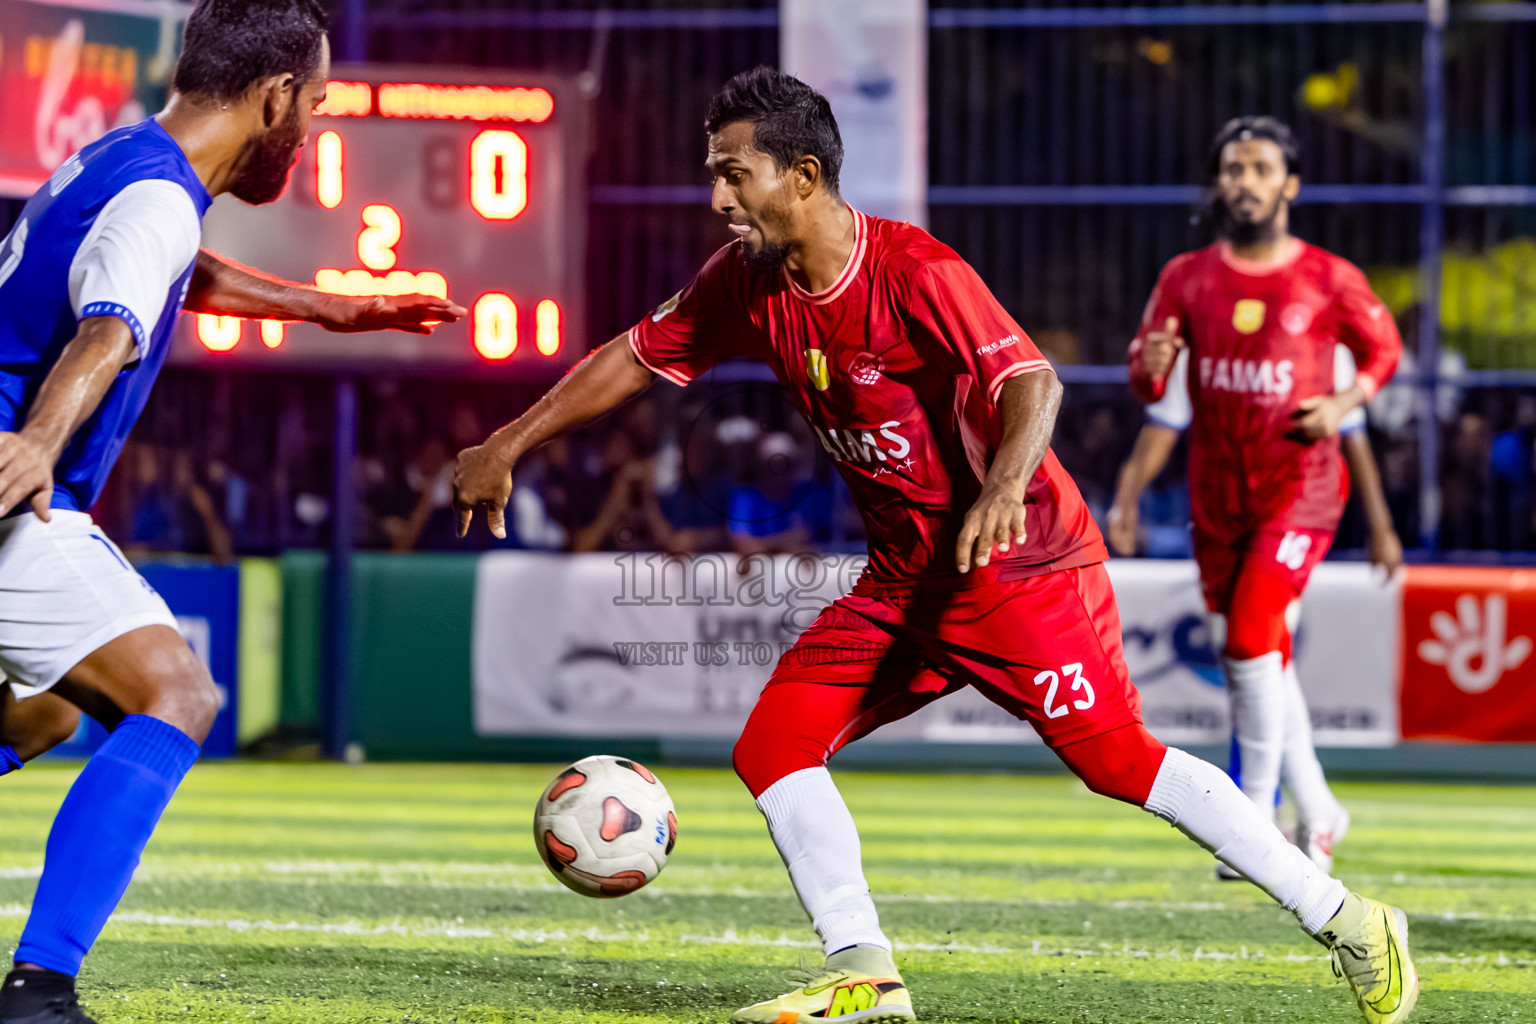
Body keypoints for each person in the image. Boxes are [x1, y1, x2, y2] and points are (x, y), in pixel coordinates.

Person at [453, 70, 1417, 1024]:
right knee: (774, 746)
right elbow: (633, 355)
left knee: (1120, 763)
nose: (718, 200)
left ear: (802, 175)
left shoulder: (915, 272)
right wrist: (507, 444)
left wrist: (1001, 489)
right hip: (904, 580)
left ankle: (1350, 920)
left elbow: (1032, 382)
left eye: (733, 175)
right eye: (714, 175)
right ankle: (864, 974)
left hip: (1017, 569)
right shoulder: (746, 282)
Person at [0, 1, 464, 1020]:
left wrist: (324, 305)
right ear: (276, 96)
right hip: (15, 485)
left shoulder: (126, 159)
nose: (314, 128)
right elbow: (109, 330)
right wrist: (36, 443)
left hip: (20, 475)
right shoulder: (161, 199)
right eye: (318, 104)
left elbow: (168, 269)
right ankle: (39, 990)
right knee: (177, 695)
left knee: (49, 706)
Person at [1112, 118, 1404, 881]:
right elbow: (1148, 386)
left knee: (1249, 641)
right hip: (1219, 499)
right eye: (1233, 168)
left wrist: (1344, 403)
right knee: (1259, 654)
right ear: (1219, 182)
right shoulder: (1186, 277)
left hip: (1300, 492)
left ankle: (1256, 822)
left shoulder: (1327, 278)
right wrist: (1148, 362)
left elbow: (1385, 350)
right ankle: (1321, 809)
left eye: (1261, 167)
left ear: (1290, 185)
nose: (1244, 180)